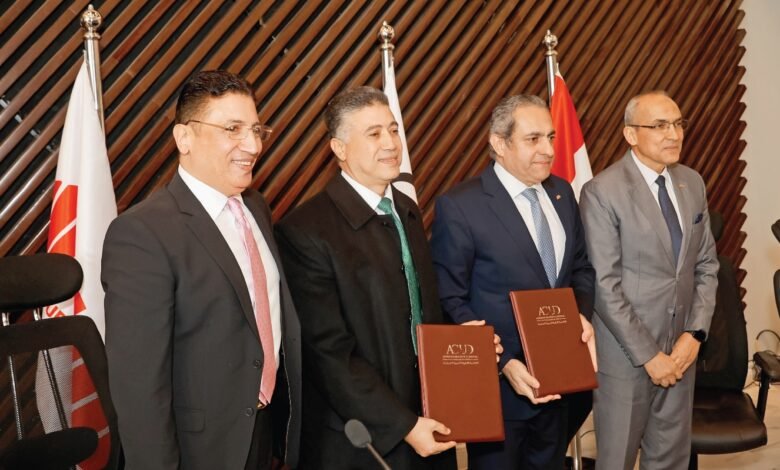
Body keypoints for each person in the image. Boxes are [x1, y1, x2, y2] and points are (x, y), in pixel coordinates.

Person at [102, 70, 301, 470]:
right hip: (198, 450)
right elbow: (139, 389)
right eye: (233, 129)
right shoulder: (142, 233)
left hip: (262, 434)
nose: (253, 145)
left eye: (256, 130)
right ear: (184, 138)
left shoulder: (256, 207)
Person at [275, 86, 457, 469]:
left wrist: (459, 341)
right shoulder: (305, 231)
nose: (391, 143)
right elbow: (329, 354)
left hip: (428, 421)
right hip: (360, 441)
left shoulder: (405, 210)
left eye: (393, 130)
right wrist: (404, 424)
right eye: (374, 134)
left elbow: (419, 310)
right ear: (339, 148)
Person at [430, 94, 595, 469]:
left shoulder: (562, 193)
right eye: (533, 139)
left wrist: (581, 315)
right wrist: (501, 361)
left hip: (561, 383)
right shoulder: (461, 206)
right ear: (499, 143)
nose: (548, 150)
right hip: (500, 391)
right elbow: (449, 298)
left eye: (550, 137)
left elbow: (581, 269)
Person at [579, 91, 718, 469]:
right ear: (630, 135)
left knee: (670, 460)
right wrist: (650, 356)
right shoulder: (602, 192)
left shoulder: (692, 182)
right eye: (659, 126)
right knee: (617, 460)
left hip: (682, 353)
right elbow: (605, 286)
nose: (673, 134)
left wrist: (694, 334)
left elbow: (706, 265)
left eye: (678, 124)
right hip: (627, 358)